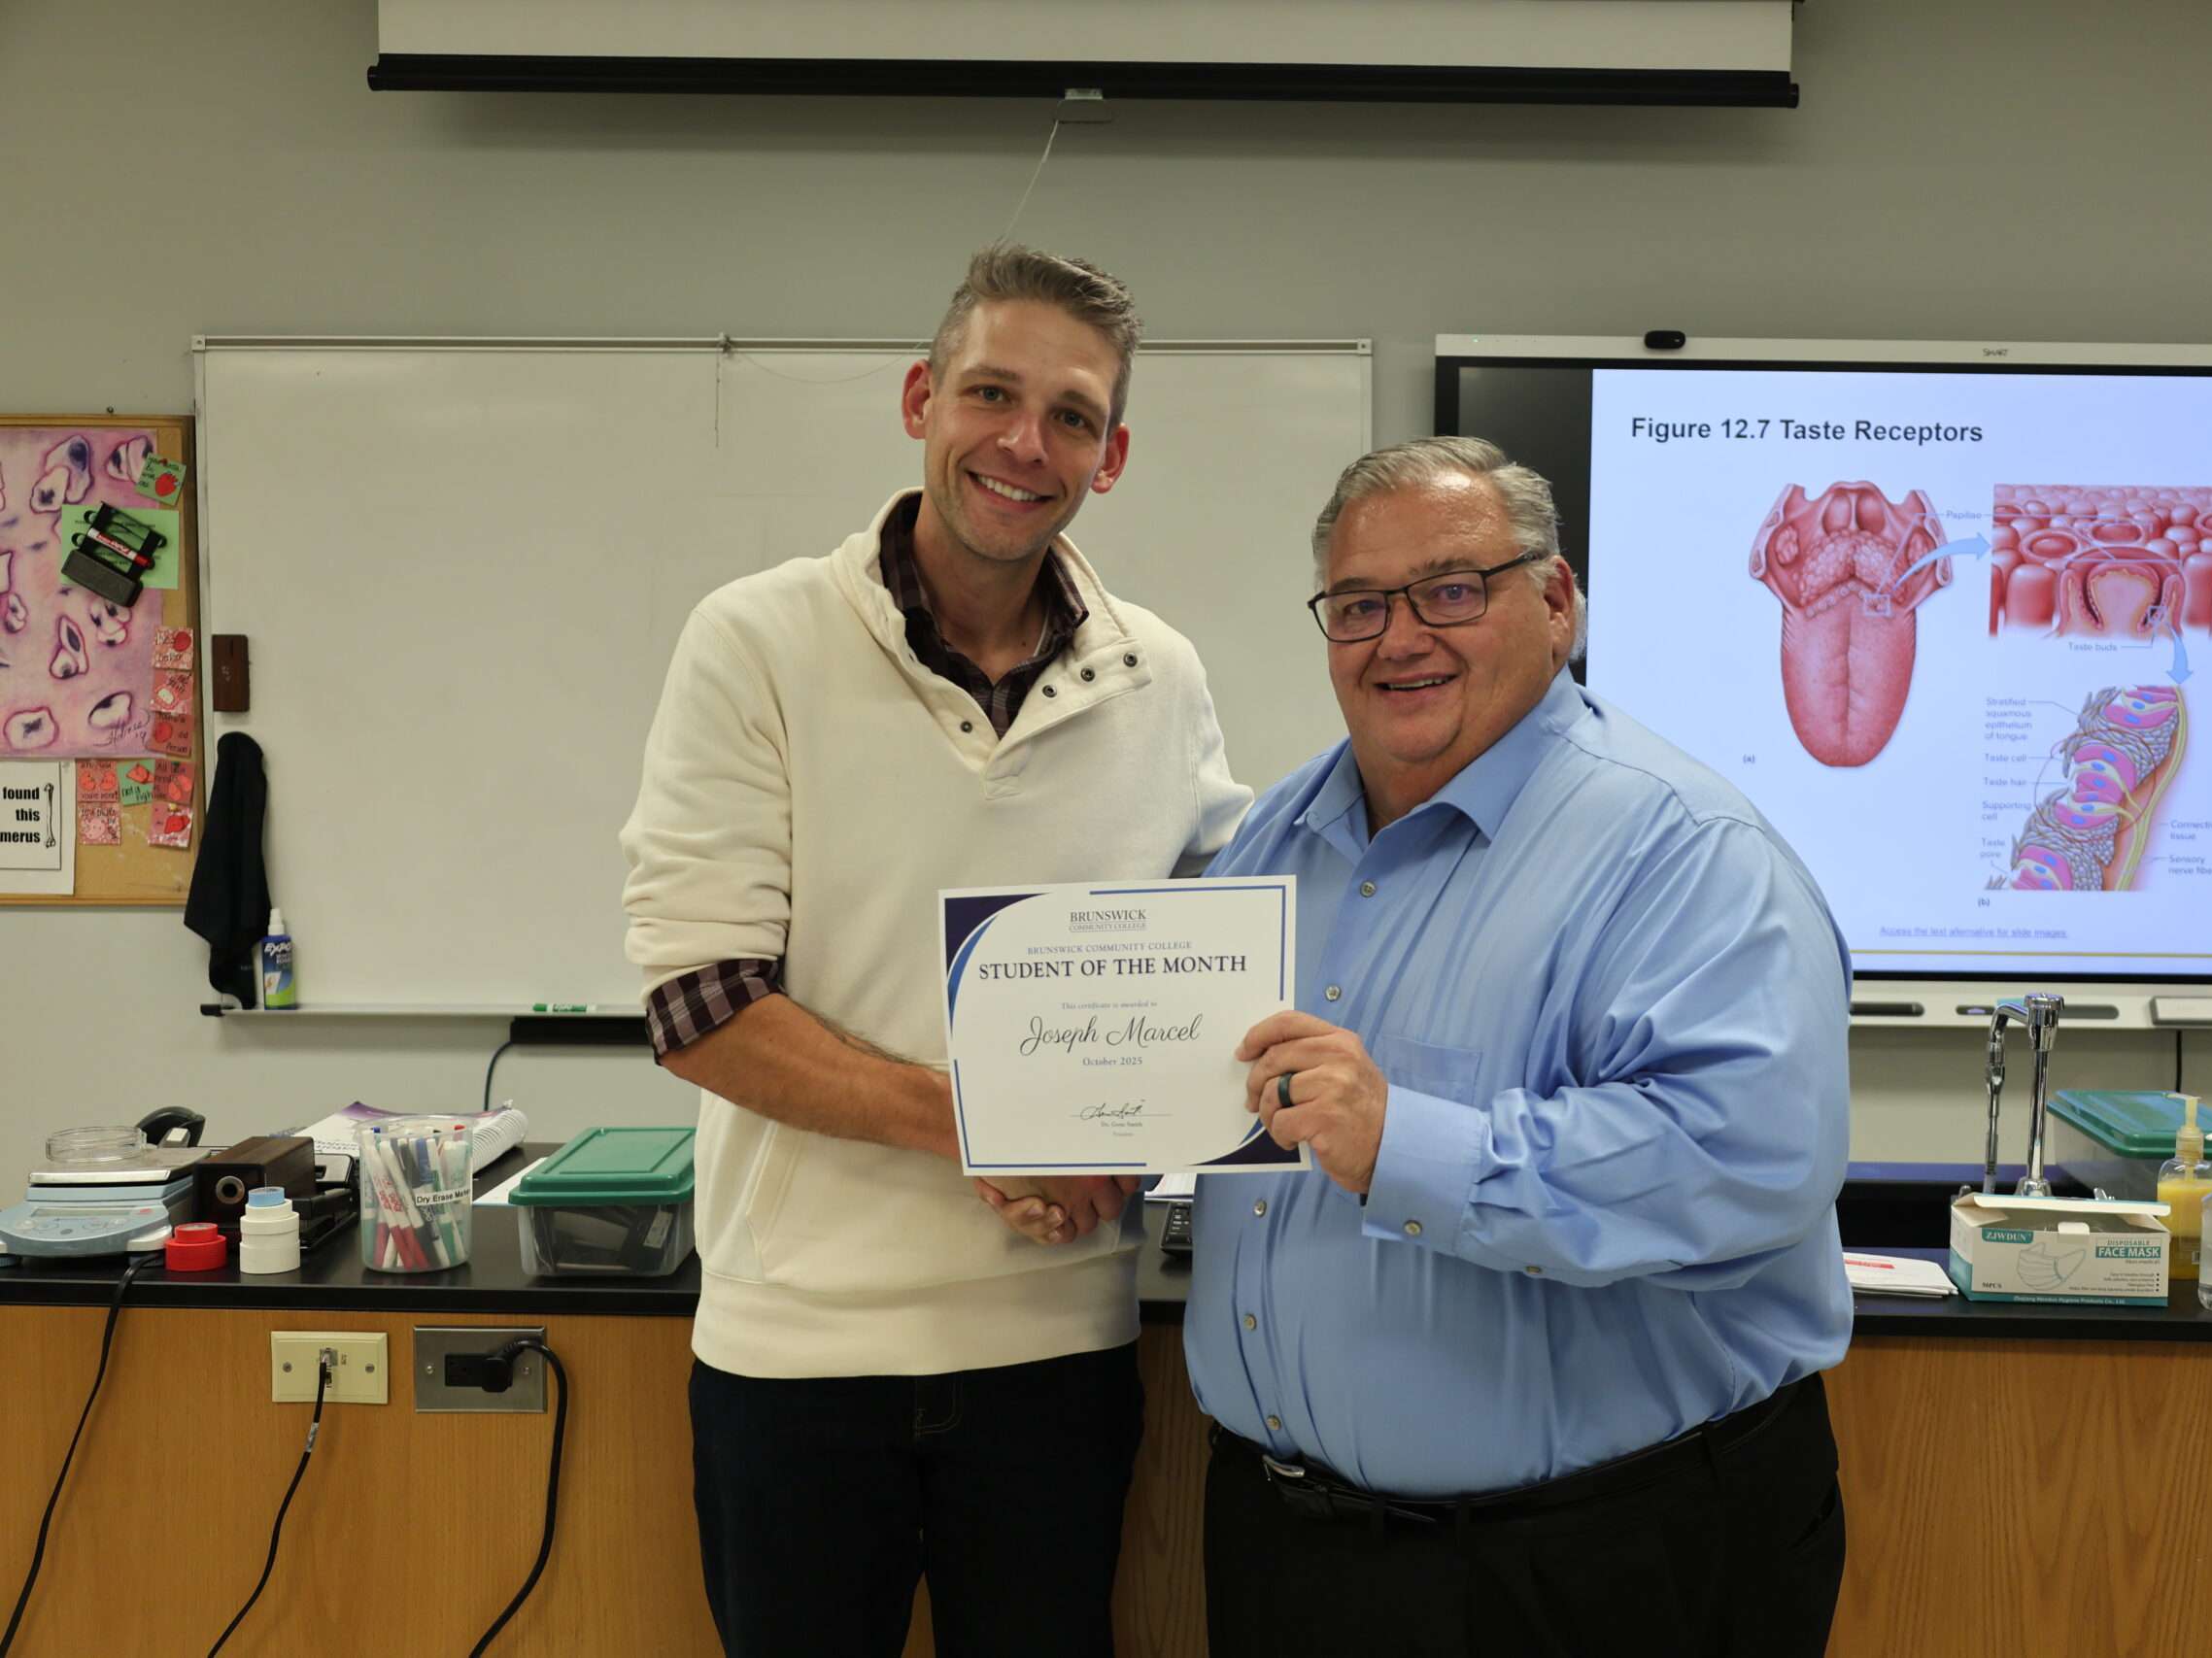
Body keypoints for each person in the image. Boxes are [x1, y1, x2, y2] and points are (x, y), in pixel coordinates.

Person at [619, 244, 1252, 1658]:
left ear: (1114, 451)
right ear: (921, 399)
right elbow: (700, 1002)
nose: (1027, 443)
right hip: (799, 1358)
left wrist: (1125, 1137)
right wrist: (986, 1126)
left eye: (1074, 414)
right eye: (992, 393)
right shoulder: (757, 640)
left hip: (1057, 1357)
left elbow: (1205, 978)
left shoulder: (1160, 675)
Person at [1189, 436, 1853, 1655]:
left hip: (1590, 1566)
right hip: (1293, 1551)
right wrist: (1105, 1163)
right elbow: (1228, 1122)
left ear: (1556, 604)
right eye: (1359, 605)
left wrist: (1405, 1142)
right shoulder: (1273, 839)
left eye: (1453, 589)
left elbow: (1747, 1156)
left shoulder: (1685, 848)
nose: (1401, 638)